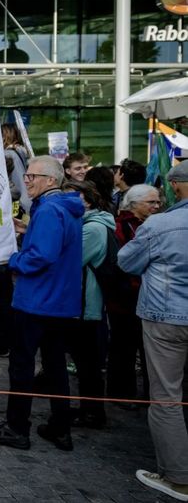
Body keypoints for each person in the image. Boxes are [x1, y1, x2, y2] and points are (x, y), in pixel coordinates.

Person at [0, 156, 84, 452]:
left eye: (32, 176)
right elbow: (52, 247)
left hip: (37, 301)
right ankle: (60, 427)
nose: (27, 181)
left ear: (51, 180)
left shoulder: (49, 210)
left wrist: (13, 260)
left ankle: (16, 428)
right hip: (60, 303)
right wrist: (27, 231)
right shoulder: (63, 207)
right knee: (54, 366)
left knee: (22, 366)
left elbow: (42, 257)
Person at [117, 162, 188, 501]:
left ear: (176, 187)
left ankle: (178, 477)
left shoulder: (161, 224)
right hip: (168, 315)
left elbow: (127, 262)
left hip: (167, 317)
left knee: (166, 398)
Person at [61, 179, 114, 429]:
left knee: (89, 364)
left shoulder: (93, 228)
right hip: (82, 303)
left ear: (88, 200)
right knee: (84, 363)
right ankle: (88, 410)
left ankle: (93, 413)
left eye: (73, 197)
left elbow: (71, 260)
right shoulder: (87, 224)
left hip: (88, 306)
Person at [108, 184, 161, 401]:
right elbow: (122, 262)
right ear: (134, 204)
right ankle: (122, 394)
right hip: (125, 298)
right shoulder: (122, 226)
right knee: (124, 348)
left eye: (158, 202)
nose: (156, 206)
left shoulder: (151, 224)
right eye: (151, 202)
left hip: (146, 296)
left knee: (148, 351)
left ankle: (150, 395)